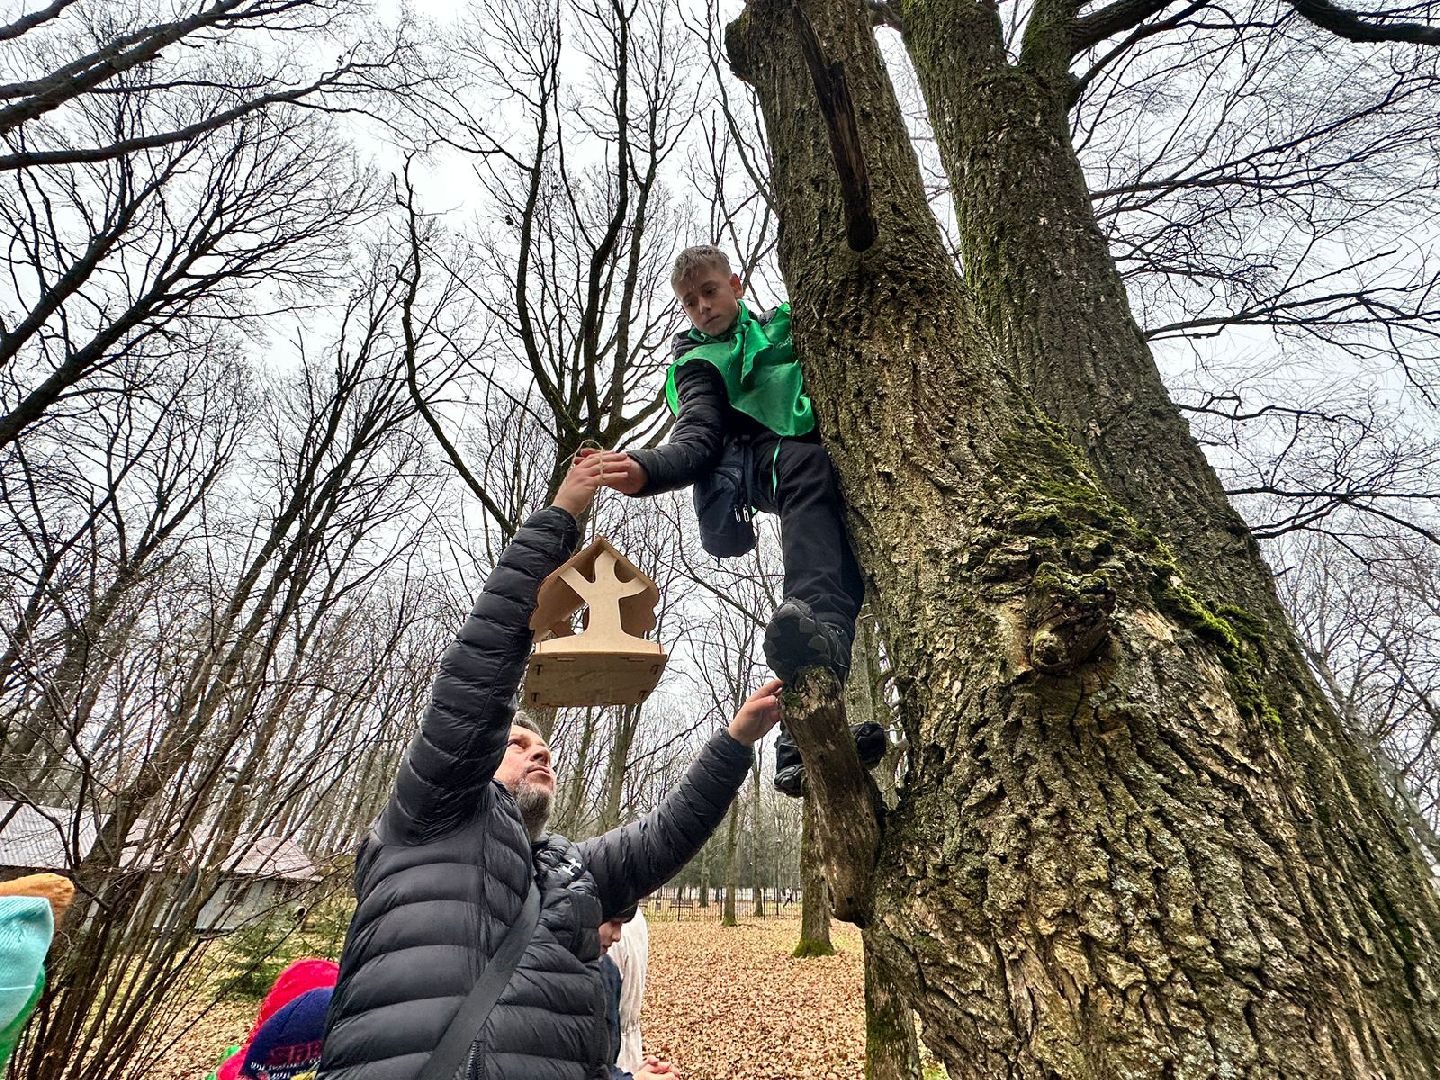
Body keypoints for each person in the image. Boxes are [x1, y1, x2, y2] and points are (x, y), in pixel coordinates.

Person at [317, 455, 783, 1080]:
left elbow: (666, 835)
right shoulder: (431, 820)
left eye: (542, 747)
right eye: (516, 744)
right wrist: (562, 518)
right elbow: (477, 674)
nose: (540, 751)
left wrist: (736, 740)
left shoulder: (566, 873)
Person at [588, 244, 884, 797]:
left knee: (843, 580)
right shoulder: (697, 363)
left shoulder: (784, 329)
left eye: (709, 291)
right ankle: (801, 722)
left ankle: (805, 739)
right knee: (810, 483)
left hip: (814, 472)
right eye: (689, 301)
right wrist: (645, 469)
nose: (701, 307)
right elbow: (697, 437)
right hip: (760, 466)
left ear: (737, 284)